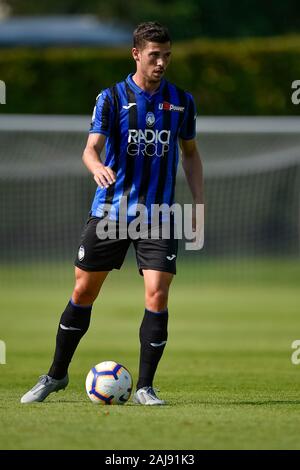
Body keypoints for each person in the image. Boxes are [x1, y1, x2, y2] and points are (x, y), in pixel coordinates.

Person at [21, 21, 204, 405]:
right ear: (136, 54)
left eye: (167, 55)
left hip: (159, 214)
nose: (162, 63)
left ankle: (145, 387)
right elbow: (90, 149)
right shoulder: (112, 98)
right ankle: (55, 375)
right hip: (111, 212)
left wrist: (198, 204)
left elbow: (190, 154)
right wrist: (96, 166)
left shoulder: (182, 102)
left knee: (157, 293)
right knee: (83, 291)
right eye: (155, 55)